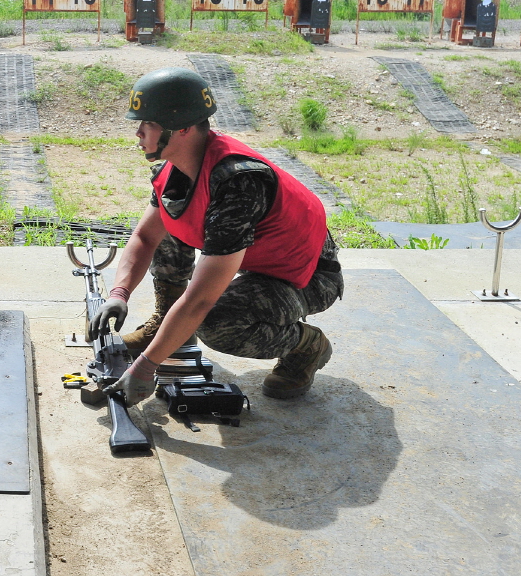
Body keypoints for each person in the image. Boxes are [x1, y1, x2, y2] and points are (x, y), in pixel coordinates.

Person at [91, 67, 344, 404]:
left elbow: (200, 300)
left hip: (306, 277)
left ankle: (306, 345)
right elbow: (146, 238)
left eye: (148, 124)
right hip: (258, 255)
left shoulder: (237, 184)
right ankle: (170, 326)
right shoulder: (176, 166)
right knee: (173, 220)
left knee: (218, 324)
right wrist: (118, 293)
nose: (138, 133)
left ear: (181, 128)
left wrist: (145, 367)